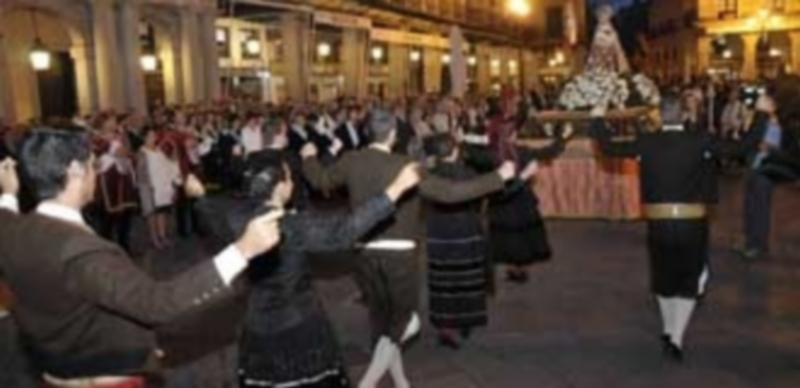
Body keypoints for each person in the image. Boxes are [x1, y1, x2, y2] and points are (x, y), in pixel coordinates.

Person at [0, 127, 282, 387]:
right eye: (92, 165)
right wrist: (242, 250)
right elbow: (156, 303)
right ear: (75, 170)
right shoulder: (81, 251)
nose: (95, 174)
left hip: (50, 368)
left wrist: (9, 193)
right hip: (101, 376)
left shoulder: (15, 230)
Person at [302, 108, 517, 388]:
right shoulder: (406, 165)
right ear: (392, 134)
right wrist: (498, 176)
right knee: (404, 323)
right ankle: (367, 383)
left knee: (384, 323)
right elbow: (450, 193)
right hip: (399, 256)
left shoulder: (352, 160)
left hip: (364, 253)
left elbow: (321, 180)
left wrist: (308, 158)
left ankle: (400, 380)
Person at [198, 151, 421, 388]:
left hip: (256, 326)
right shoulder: (291, 227)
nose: (292, 181)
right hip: (299, 326)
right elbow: (345, 229)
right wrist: (396, 188)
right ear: (278, 186)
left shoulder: (233, 219)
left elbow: (208, 213)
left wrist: (199, 196)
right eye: (288, 177)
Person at [589, 91, 768, 361]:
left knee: (664, 278)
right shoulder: (700, 140)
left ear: (660, 115)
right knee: (687, 281)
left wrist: (597, 118)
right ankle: (676, 337)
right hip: (691, 223)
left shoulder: (647, 142)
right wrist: (763, 114)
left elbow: (608, 147)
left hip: (659, 224)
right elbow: (744, 146)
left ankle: (668, 331)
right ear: (684, 115)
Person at [484, 105, 571, 283]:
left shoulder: (492, 155)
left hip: (501, 201)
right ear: (512, 135)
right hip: (520, 199)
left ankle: (513, 269)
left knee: (507, 237)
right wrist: (563, 138)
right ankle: (519, 270)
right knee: (521, 237)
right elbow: (548, 151)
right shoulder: (521, 152)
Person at [137, 127, 182, 249]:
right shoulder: (142, 152)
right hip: (150, 188)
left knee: (162, 212)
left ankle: (162, 236)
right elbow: (141, 173)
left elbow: (167, 166)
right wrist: (149, 186)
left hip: (162, 187)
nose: (154, 138)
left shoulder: (158, 150)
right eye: (150, 136)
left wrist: (172, 183)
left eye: (154, 136)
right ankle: (154, 239)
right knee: (152, 215)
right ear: (144, 137)